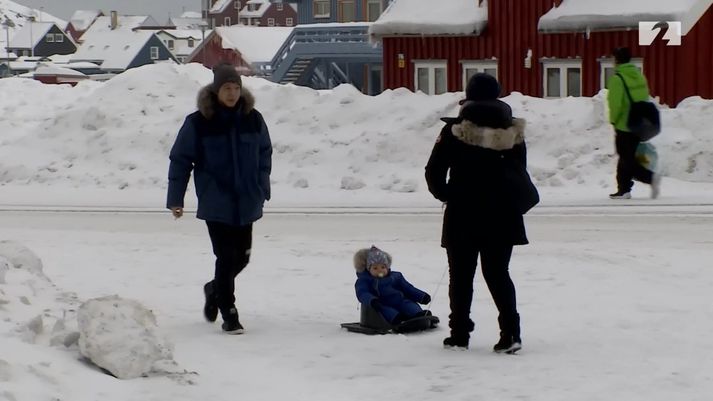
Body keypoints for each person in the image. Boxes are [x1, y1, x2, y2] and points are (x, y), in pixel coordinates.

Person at [425, 73, 528, 353]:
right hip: (503, 213)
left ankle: (459, 334)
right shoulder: (513, 133)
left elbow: (433, 172)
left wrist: (447, 195)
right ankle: (511, 333)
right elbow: (520, 172)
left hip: (463, 212)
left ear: (468, 97)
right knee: (498, 274)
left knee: (461, 277)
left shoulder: (454, 130)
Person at [166, 62, 272, 334]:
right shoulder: (199, 122)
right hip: (217, 201)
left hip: (247, 199)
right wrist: (176, 198)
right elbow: (181, 160)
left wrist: (262, 187)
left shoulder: (253, 118)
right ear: (216, 90)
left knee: (242, 258)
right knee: (225, 257)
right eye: (227, 88)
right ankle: (230, 312)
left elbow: (264, 155)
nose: (232, 93)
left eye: (236, 88)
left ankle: (214, 288)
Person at [607, 46, 661, 199]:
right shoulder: (638, 75)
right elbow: (644, 96)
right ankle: (623, 189)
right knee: (626, 157)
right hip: (638, 124)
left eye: (613, 59)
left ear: (617, 60)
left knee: (627, 158)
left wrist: (613, 120)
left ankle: (651, 178)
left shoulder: (617, 79)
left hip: (624, 124)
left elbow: (615, 104)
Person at [353, 246, 432, 324]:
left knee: (410, 305)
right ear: (368, 269)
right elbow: (362, 292)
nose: (380, 270)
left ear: (387, 267)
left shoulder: (396, 276)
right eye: (375, 268)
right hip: (382, 304)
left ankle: (419, 315)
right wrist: (372, 300)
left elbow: (408, 288)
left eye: (383, 267)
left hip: (400, 300)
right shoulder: (365, 280)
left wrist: (422, 296)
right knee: (388, 312)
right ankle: (398, 321)